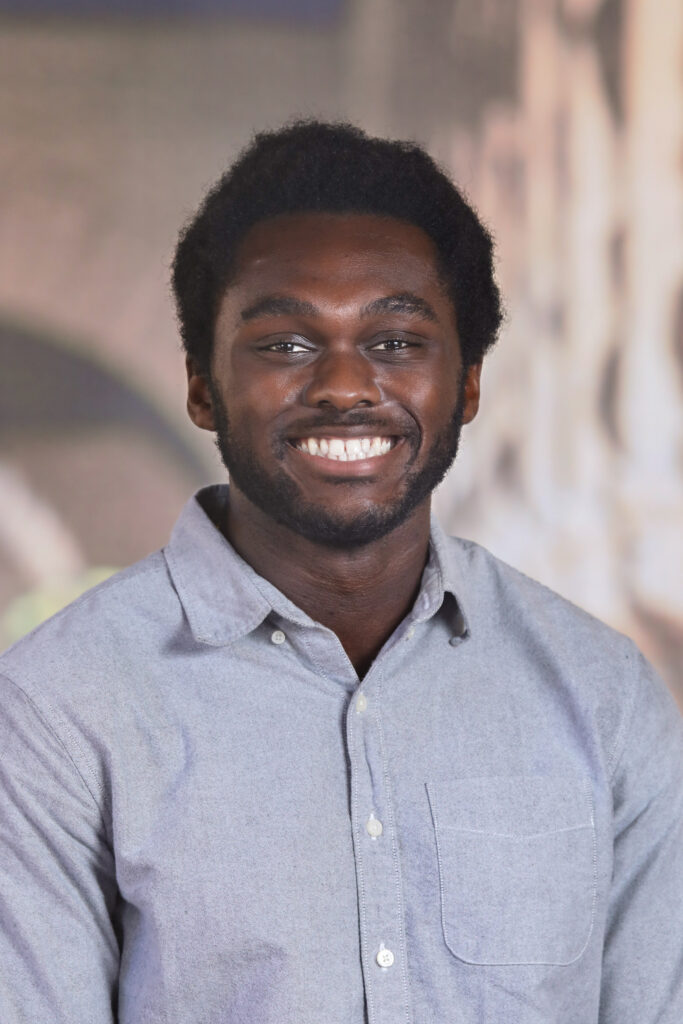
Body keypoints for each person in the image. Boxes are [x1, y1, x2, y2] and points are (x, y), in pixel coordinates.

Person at [0, 121, 681, 1024]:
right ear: (201, 386)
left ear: (468, 383)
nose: (345, 385)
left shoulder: (603, 696)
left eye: (396, 341)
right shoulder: (59, 708)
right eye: (285, 344)